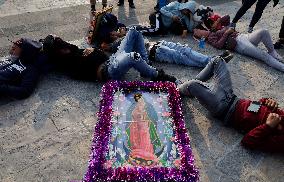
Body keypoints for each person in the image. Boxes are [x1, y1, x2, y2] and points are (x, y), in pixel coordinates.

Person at [178, 57, 284, 153]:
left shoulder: (281, 141)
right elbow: (254, 108)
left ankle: (176, 89)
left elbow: (247, 141)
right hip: (231, 96)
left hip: (223, 109)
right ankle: (192, 87)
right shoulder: (282, 115)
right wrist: (266, 101)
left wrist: (268, 126)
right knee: (217, 60)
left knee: (192, 85)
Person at [43, 28, 176, 83]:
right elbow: (89, 74)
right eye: (58, 39)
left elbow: (89, 51)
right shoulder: (66, 64)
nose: (61, 38)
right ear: (57, 48)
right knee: (132, 56)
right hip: (109, 71)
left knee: (134, 32)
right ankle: (157, 75)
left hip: (112, 60)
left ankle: (145, 67)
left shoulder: (71, 49)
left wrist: (92, 49)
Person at [99, 27, 234, 67]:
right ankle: (213, 63)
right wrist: (107, 45)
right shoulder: (120, 45)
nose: (116, 31)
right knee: (182, 57)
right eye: (113, 33)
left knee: (186, 50)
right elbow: (109, 47)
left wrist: (122, 31)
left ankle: (214, 59)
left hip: (159, 44)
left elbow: (135, 30)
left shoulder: (127, 35)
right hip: (155, 51)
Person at [193, 27, 284, 72]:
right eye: (198, 32)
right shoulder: (209, 38)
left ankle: (272, 51)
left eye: (199, 29)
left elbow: (227, 18)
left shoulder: (212, 29)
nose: (200, 30)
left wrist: (225, 26)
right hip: (240, 45)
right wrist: (226, 33)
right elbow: (218, 45)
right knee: (263, 55)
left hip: (243, 36)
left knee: (264, 31)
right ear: (201, 36)